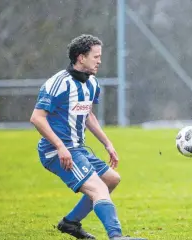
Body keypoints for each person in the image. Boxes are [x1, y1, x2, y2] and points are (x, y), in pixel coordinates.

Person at [30, 34, 146, 240]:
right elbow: (37, 118)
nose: (100, 61)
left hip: (77, 149)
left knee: (111, 180)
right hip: (56, 151)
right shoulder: (58, 83)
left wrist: (107, 144)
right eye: (96, 56)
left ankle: (70, 223)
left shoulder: (92, 83)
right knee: (98, 187)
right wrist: (59, 146)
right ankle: (116, 236)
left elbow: (88, 115)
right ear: (80, 57)